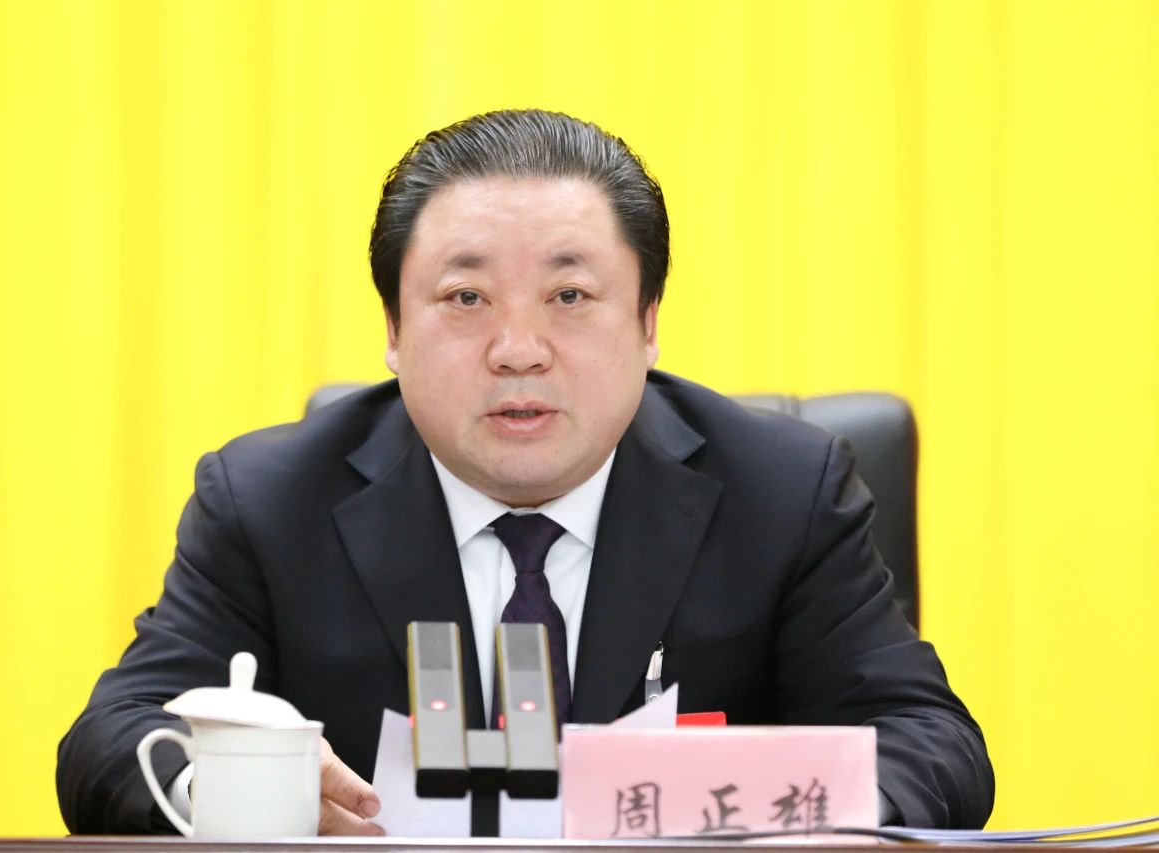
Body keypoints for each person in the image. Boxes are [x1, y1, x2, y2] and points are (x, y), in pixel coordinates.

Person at [57, 109, 994, 834]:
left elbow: (931, 742)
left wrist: (826, 821)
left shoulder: (782, 492)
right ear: (393, 330)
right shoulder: (270, 502)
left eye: (570, 295)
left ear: (648, 323)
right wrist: (239, 788)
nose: (518, 349)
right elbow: (114, 738)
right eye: (466, 297)